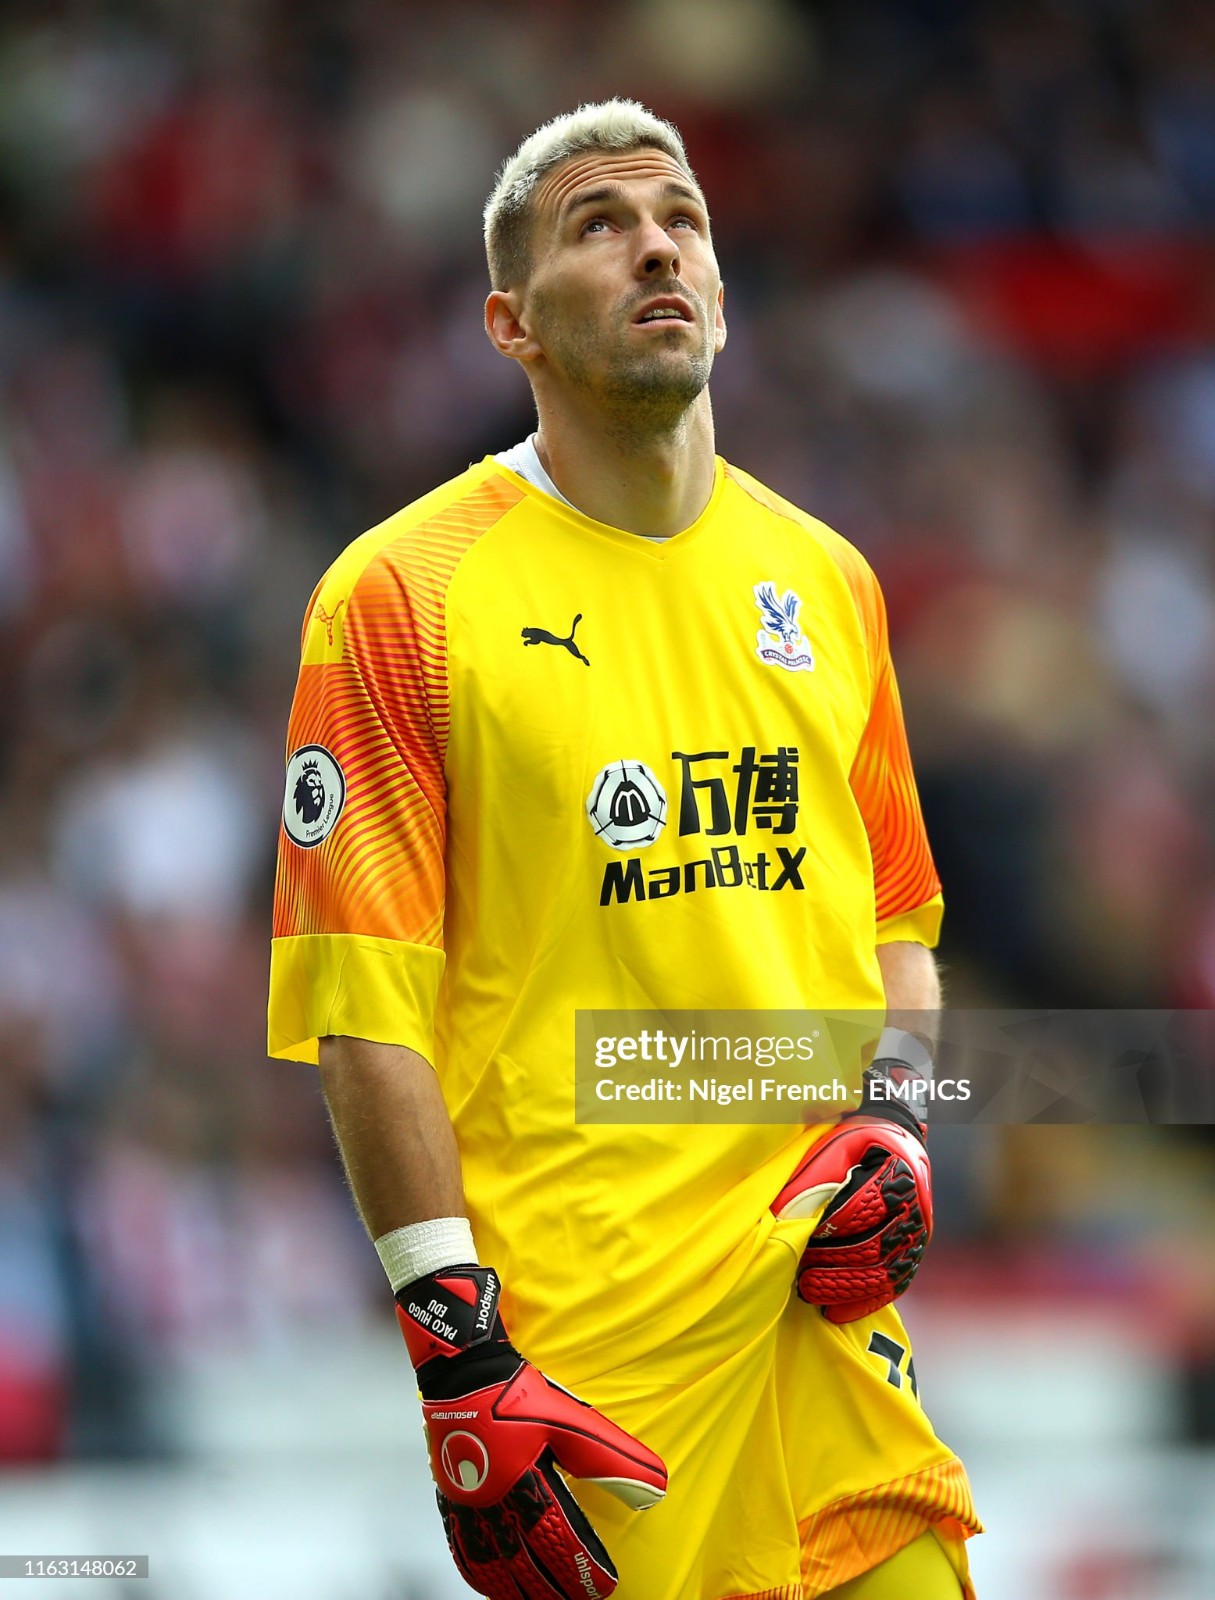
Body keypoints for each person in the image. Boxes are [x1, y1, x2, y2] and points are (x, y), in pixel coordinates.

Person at [268, 100, 981, 1600]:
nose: (656, 246)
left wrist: (899, 1116)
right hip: (601, 1396)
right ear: (510, 325)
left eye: (682, 221)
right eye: (599, 225)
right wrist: (456, 1354)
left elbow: (898, 927)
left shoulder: (827, 580)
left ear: (720, 290)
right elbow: (363, 1011)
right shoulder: (400, 596)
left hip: (831, 1352)